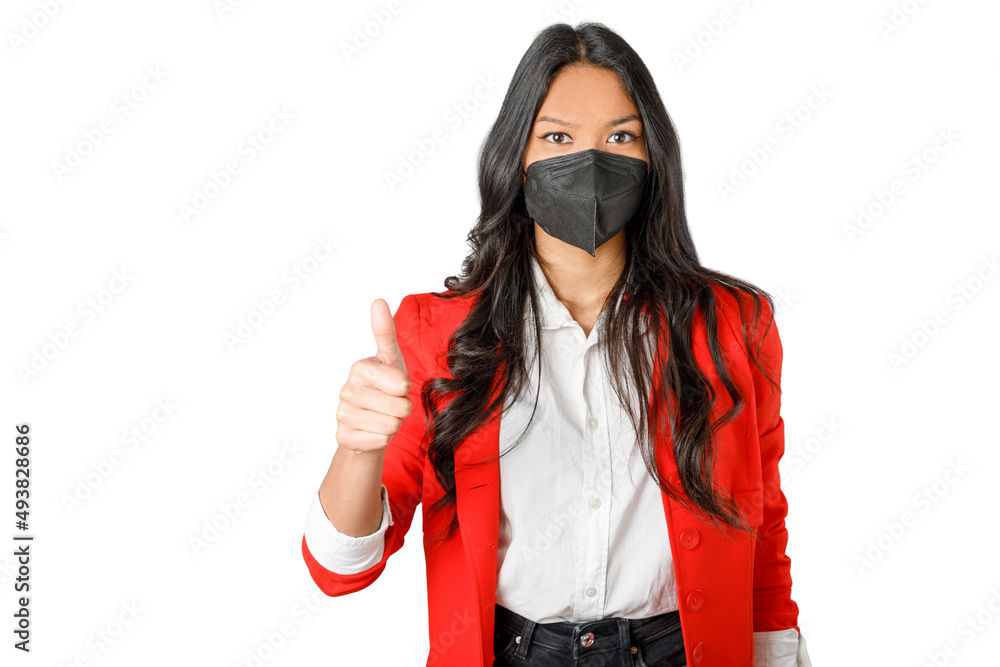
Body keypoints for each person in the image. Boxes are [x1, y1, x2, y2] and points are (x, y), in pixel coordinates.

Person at [301, 22, 812, 667]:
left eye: (620, 137)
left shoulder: (734, 324)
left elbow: (761, 535)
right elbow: (340, 568)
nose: (591, 163)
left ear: (654, 158)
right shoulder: (438, 334)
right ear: (516, 155)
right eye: (558, 137)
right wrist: (357, 447)